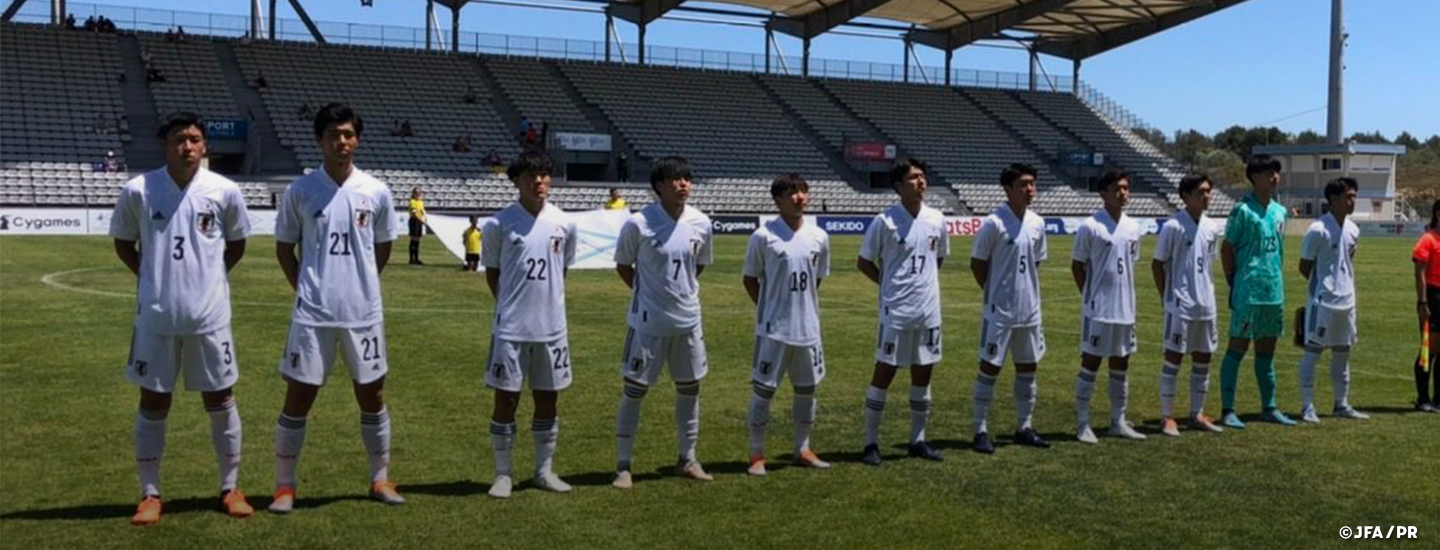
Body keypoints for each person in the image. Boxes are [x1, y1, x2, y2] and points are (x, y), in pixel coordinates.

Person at [111, 112, 254, 526]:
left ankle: (230, 487)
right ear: (165, 145)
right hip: (156, 318)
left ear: (204, 145)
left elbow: (236, 244)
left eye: (193, 139)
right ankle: (150, 494)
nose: (187, 146)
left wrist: (208, 280)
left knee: (220, 398)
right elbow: (123, 243)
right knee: (154, 401)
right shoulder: (138, 190)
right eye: (178, 139)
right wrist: (152, 278)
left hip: (209, 317)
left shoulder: (224, 190)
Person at [269, 103, 404, 513]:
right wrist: (307, 289)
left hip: (363, 313)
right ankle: (284, 486)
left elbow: (382, 247)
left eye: (348, 135)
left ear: (357, 140)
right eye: (333, 135)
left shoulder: (376, 191)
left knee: (372, 393)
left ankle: (380, 479)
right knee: (299, 393)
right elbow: (285, 248)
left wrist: (361, 284)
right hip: (313, 313)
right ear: (319, 140)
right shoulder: (302, 190)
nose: (341, 142)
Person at [479, 151, 579, 499]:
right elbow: (493, 273)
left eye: (544, 175)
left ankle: (543, 471)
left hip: (552, 328)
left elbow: (561, 270)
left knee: (547, 400)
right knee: (506, 400)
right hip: (511, 330)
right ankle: (503, 474)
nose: (539, 181)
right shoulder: (499, 224)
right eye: (531, 176)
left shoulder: (565, 223)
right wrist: (511, 307)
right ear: (516, 182)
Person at [611, 156, 714, 489]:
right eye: (675, 179)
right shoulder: (638, 223)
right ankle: (623, 466)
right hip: (648, 323)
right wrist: (649, 295)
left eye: (687, 179)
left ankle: (688, 458)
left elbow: (697, 265)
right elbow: (624, 265)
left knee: (690, 389)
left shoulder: (701, 222)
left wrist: (679, 293)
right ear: (659, 186)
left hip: (688, 321)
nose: (683, 184)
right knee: (635, 390)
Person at [857, 157, 948, 466]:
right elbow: (864, 261)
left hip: (928, 310)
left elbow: (938, 257)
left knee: (923, 371)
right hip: (896, 310)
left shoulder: (936, 218)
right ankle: (870, 442)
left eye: (923, 176)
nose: (921, 182)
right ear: (898, 186)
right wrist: (888, 286)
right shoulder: (884, 221)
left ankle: (917, 440)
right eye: (913, 177)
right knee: (885, 371)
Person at [743, 174, 832, 476]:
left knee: (806, 391)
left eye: (804, 191)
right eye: (792, 192)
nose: (800, 197)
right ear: (778, 200)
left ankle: (802, 449)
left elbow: (816, 279)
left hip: (808, 329)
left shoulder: (819, 236)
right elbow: (750, 279)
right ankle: (756, 454)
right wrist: (770, 309)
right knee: (763, 391)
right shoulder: (763, 236)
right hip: (774, 331)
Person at [969, 163, 1051, 454]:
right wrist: (994, 293)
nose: (1030, 189)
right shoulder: (994, 223)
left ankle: (1024, 427)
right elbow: (978, 263)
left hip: (1029, 310)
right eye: (1023, 184)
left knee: (1028, 367)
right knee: (990, 368)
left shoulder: (1037, 223)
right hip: (999, 311)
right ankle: (980, 430)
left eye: (1032, 184)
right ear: (1008, 189)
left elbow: (1035, 262)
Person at [1218, 155, 1295, 429]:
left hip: (1273, 290)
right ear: (1254, 177)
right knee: (1237, 348)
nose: (1275, 177)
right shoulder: (1242, 211)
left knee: (1267, 352)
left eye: (1276, 172)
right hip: (1248, 290)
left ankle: (1269, 407)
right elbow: (1227, 248)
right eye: (1268, 172)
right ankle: (1228, 409)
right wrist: (1233, 282)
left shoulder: (1280, 212)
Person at [1070, 170, 1146, 443]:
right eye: (1116, 188)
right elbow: (1077, 266)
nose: (1123, 193)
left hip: (1126, 308)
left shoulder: (1133, 227)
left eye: (1125, 188)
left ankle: (1118, 421)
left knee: (1121, 364)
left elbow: (1130, 262)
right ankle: (1082, 423)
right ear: (1103, 193)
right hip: (1099, 309)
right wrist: (1090, 297)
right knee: (1090, 363)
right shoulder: (1091, 226)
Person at [1151, 174, 1225, 436]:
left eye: (1208, 191)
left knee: (1203, 359)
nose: (1207, 196)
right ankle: (1167, 416)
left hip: (1206, 304)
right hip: (1180, 305)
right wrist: (1167, 298)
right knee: (1173, 359)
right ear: (1185, 196)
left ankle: (1197, 414)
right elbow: (1158, 264)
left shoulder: (1212, 227)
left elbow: (1208, 263)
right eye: (1200, 192)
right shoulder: (1173, 226)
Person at [1296, 178, 1369, 422]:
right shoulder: (1318, 229)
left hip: (1347, 301)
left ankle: (1341, 404)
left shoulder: (1353, 229)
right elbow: (1304, 266)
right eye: (1348, 196)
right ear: (1333, 199)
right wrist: (1325, 286)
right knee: (1313, 352)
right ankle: (1307, 406)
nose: (1352, 201)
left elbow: (1347, 261)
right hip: (1322, 301)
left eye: (1354, 196)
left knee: (1342, 352)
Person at [1411, 200, 1440, 413]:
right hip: (1433, 296)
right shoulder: (1428, 239)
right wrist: (1423, 302)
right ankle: (1423, 398)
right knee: (1429, 349)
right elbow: (1419, 272)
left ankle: (1438, 399)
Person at [407, 187, 426, 265]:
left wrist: (424, 217)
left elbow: (423, 211)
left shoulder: (420, 202)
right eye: (417, 193)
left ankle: (416, 258)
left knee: (417, 240)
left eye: (419, 193)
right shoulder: (412, 202)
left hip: (419, 221)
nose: (418, 195)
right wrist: (421, 220)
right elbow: (414, 213)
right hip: (414, 221)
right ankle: (412, 259)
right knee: (413, 239)